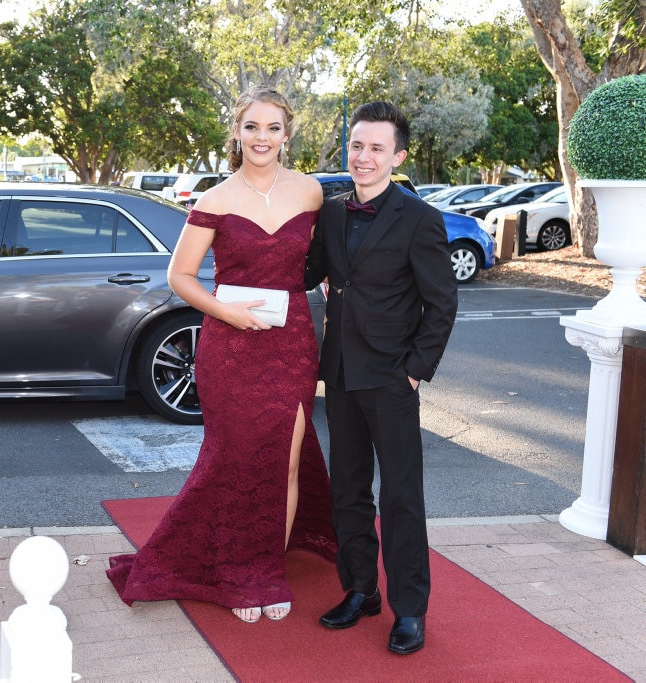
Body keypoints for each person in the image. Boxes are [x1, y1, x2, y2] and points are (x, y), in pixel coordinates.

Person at [107, 86, 336, 624]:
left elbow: (324, 262)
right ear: (237, 132)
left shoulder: (310, 193)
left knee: (286, 456)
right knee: (235, 459)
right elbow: (179, 277)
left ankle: (267, 568)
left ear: (288, 134)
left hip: (292, 343)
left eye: (273, 128)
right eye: (252, 127)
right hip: (230, 347)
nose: (262, 138)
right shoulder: (214, 200)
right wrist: (226, 313)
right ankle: (239, 569)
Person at [304, 101, 458, 654]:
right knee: (347, 491)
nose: (363, 157)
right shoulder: (332, 210)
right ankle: (361, 589)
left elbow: (442, 304)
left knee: (400, 498)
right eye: (356, 145)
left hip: (393, 378)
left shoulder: (420, 218)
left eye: (375, 148)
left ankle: (409, 610)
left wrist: (415, 372)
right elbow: (310, 272)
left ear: (398, 155)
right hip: (341, 373)